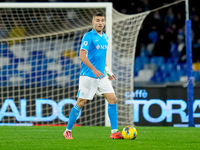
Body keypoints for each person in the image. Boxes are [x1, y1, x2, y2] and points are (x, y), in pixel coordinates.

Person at [63, 12, 123, 140]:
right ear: (93, 22)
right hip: (88, 75)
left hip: (101, 76)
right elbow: (82, 55)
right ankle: (68, 130)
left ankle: (114, 132)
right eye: (98, 20)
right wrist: (94, 69)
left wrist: (108, 72)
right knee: (81, 102)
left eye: (102, 20)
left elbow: (102, 58)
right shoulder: (88, 36)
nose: (100, 22)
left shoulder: (105, 37)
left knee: (113, 100)